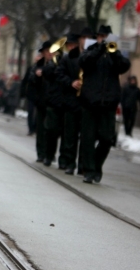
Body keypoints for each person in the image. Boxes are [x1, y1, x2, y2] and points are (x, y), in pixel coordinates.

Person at [79, 25, 131, 184]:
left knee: (107, 139)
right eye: (101, 36)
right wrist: (100, 49)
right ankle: (88, 171)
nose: (104, 38)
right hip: (90, 102)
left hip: (108, 103)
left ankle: (96, 165)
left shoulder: (115, 54)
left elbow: (124, 66)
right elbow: (84, 62)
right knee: (87, 138)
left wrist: (113, 53)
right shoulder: (91, 50)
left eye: (106, 36)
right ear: (97, 37)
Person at [55, 33, 82, 174]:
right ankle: (66, 160)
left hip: (84, 102)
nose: (71, 47)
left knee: (77, 135)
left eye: (73, 45)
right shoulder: (66, 59)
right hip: (70, 101)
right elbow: (59, 75)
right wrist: (71, 83)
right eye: (69, 45)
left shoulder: (85, 57)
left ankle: (75, 162)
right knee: (68, 134)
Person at [26, 41, 53, 163]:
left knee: (51, 130)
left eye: (50, 51)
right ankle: (41, 153)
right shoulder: (38, 65)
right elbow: (30, 79)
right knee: (41, 128)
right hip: (41, 101)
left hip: (53, 102)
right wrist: (36, 75)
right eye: (46, 51)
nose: (48, 53)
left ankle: (49, 153)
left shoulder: (56, 64)